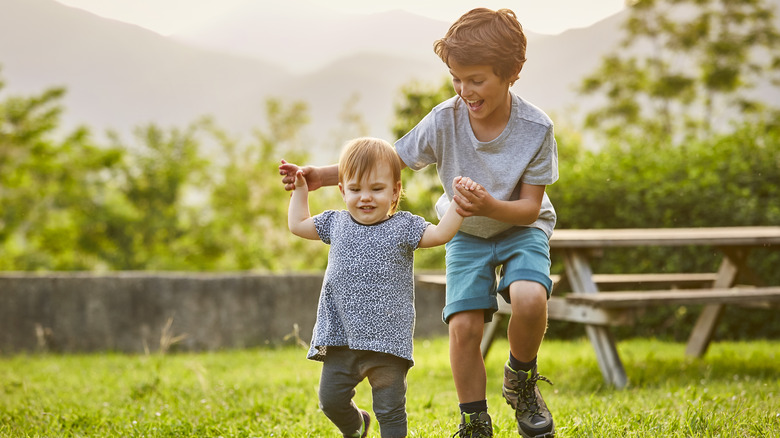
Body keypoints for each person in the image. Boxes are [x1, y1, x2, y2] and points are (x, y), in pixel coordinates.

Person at [280, 8, 558, 437]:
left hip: (521, 228)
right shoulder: (444, 119)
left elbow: (528, 208)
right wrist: (322, 175)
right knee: (464, 325)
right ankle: (474, 421)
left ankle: (520, 380)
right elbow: (390, 159)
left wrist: (488, 205)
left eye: (476, 80)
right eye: (456, 79)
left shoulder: (535, 128)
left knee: (529, 298)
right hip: (465, 232)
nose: (464, 91)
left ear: (511, 74)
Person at [287, 137, 467, 438]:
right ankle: (356, 425)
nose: (365, 198)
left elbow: (440, 234)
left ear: (395, 190)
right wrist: (301, 189)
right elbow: (298, 224)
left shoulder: (404, 227)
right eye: (356, 189)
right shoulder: (335, 223)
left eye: (377, 189)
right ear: (342, 190)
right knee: (330, 401)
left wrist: (458, 205)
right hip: (341, 339)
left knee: (390, 410)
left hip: (388, 343)